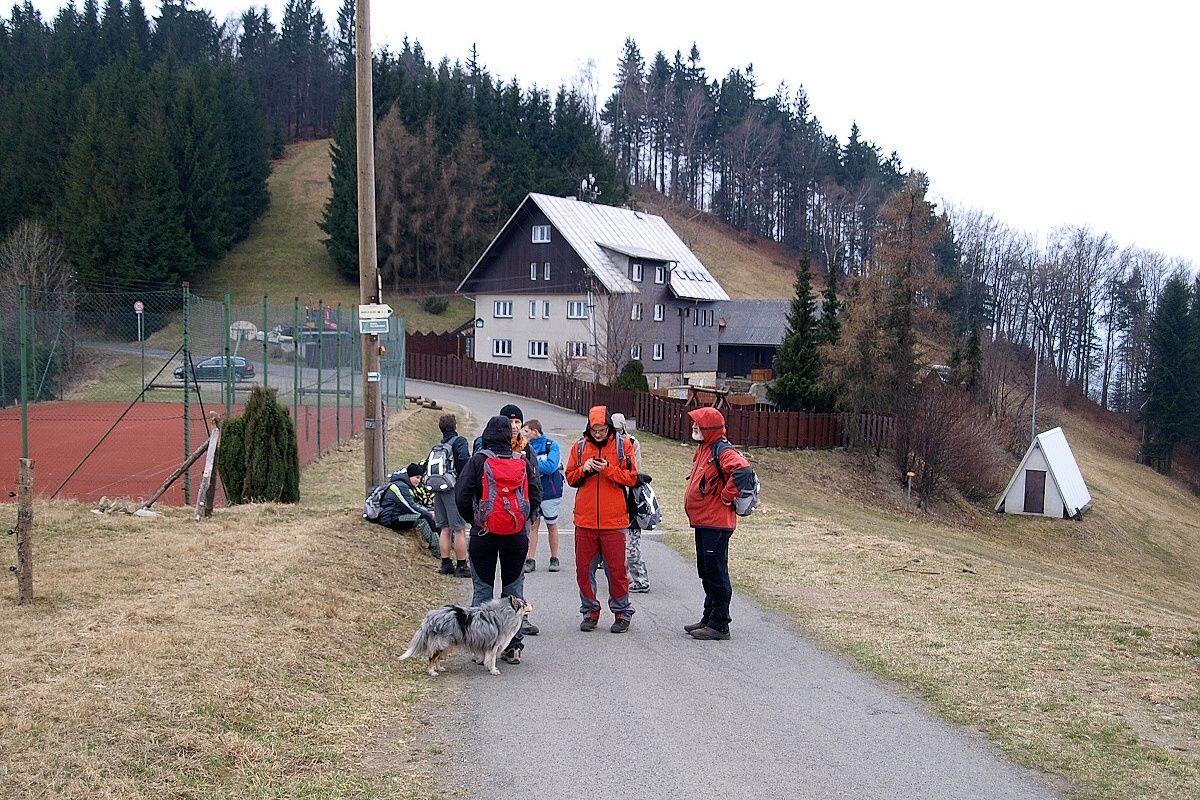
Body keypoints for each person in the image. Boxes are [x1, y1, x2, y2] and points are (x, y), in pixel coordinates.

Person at [455, 414, 542, 664]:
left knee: (483, 591)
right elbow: (536, 493)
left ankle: (482, 649)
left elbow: (462, 495)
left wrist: (474, 519)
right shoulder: (522, 461)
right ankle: (513, 647)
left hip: (484, 534)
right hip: (516, 536)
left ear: (486, 435)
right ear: (509, 435)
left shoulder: (478, 461)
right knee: (513, 591)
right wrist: (524, 520)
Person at [565, 405, 638, 633]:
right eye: (595, 430)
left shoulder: (623, 445)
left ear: (609, 427)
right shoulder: (578, 448)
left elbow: (632, 478)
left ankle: (622, 613)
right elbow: (570, 478)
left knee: (616, 571)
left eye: (603, 430)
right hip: (585, 521)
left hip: (614, 521)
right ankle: (589, 612)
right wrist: (584, 469)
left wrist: (607, 469)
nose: (599, 434)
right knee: (583, 571)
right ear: (589, 428)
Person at [682, 406, 751, 641]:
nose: (694, 427)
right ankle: (708, 618)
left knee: (716, 571)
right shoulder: (705, 448)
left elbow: (743, 470)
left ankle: (720, 624)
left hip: (717, 522)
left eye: (699, 424)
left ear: (709, 428)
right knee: (706, 569)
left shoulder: (722, 449)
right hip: (704, 521)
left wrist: (727, 495)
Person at [611, 413, 650, 593]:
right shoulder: (607, 443)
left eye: (619, 430)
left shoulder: (632, 443)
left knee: (632, 548)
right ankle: (624, 579)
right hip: (615, 502)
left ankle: (641, 580)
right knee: (619, 547)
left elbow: (635, 472)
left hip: (631, 502)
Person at [430, 414, 472, 578]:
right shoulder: (459, 441)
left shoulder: (438, 445)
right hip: (452, 488)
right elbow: (463, 462)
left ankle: (446, 563)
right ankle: (461, 565)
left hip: (438, 487)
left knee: (444, 528)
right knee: (459, 529)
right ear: (455, 426)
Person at [522, 419, 563, 574]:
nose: (524, 434)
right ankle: (530, 559)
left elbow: (551, 466)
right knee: (533, 525)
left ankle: (554, 558)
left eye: (526, 431)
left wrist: (532, 464)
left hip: (550, 492)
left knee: (552, 524)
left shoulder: (552, 446)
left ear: (535, 431)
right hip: (533, 492)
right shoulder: (526, 446)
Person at [377, 463, 438, 556]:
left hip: (398, 515)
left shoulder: (406, 485)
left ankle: (437, 546)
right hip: (390, 518)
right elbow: (409, 506)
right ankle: (437, 549)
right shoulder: (400, 486)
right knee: (422, 518)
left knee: (426, 515)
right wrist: (428, 514)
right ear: (409, 476)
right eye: (417, 477)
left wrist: (428, 511)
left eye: (420, 478)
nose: (418, 481)